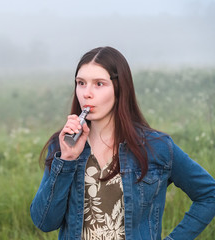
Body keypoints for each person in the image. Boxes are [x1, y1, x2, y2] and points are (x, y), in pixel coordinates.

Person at [30, 46, 215, 240]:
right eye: (81, 83)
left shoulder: (156, 147)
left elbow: (209, 195)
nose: (87, 93)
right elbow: (45, 222)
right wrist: (67, 159)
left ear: (120, 88)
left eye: (99, 84)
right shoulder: (63, 145)